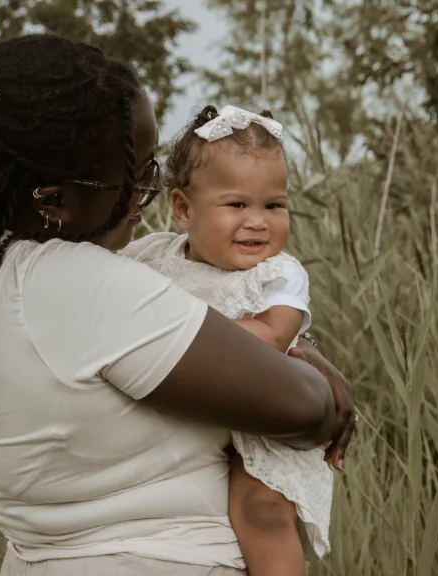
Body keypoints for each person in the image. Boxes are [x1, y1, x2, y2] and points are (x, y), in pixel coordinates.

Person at [0, 23, 356, 576]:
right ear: (55, 200)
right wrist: (305, 356)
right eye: (136, 176)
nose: (148, 195)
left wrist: (290, 340)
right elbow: (310, 410)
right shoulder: (76, 284)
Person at [120, 104, 336, 576]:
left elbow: (275, 334)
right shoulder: (159, 256)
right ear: (182, 209)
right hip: (193, 410)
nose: (258, 222)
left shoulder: (279, 274)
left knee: (261, 509)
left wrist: (181, 329)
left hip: (263, 420)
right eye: (237, 205)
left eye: (273, 206)